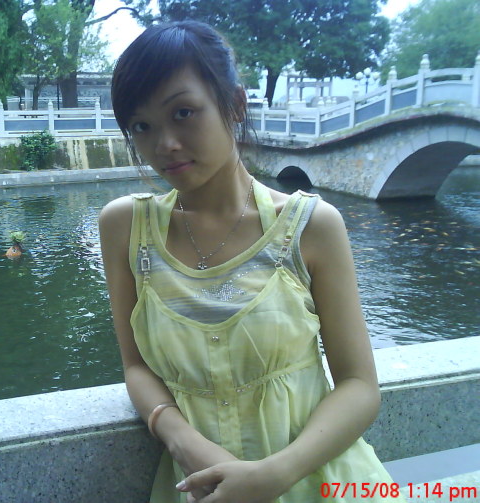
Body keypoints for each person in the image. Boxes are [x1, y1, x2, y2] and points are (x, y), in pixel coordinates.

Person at [99, 20, 405, 503]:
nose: (165, 144)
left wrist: (273, 475)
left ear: (236, 105)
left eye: (183, 112)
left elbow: (359, 385)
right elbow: (136, 366)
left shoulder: (310, 226)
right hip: (197, 486)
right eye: (142, 126)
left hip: (318, 482)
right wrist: (186, 444)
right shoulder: (125, 228)